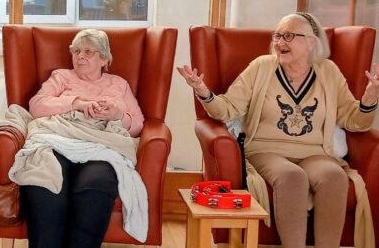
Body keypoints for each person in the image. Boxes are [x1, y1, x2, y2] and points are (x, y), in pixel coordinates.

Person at [177, 12, 378, 247]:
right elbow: (227, 108)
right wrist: (202, 90)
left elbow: (355, 121)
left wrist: (369, 98)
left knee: (334, 176)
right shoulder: (261, 67)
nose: (280, 42)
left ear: (312, 41)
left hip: (315, 153)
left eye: (289, 36)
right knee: (292, 177)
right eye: (278, 36)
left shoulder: (329, 72)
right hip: (266, 150)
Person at [22, 29, 144, 248]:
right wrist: (76, 103)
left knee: (94, 188)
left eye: (89, 52)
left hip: (100, 146)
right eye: (76, 51)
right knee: (44, 183)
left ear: (104, 59)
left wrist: (116, 115)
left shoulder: (118, 84)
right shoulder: (61, 77)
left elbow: (137, 124)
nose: (80, 56)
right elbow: (37, 105)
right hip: (58, 140)